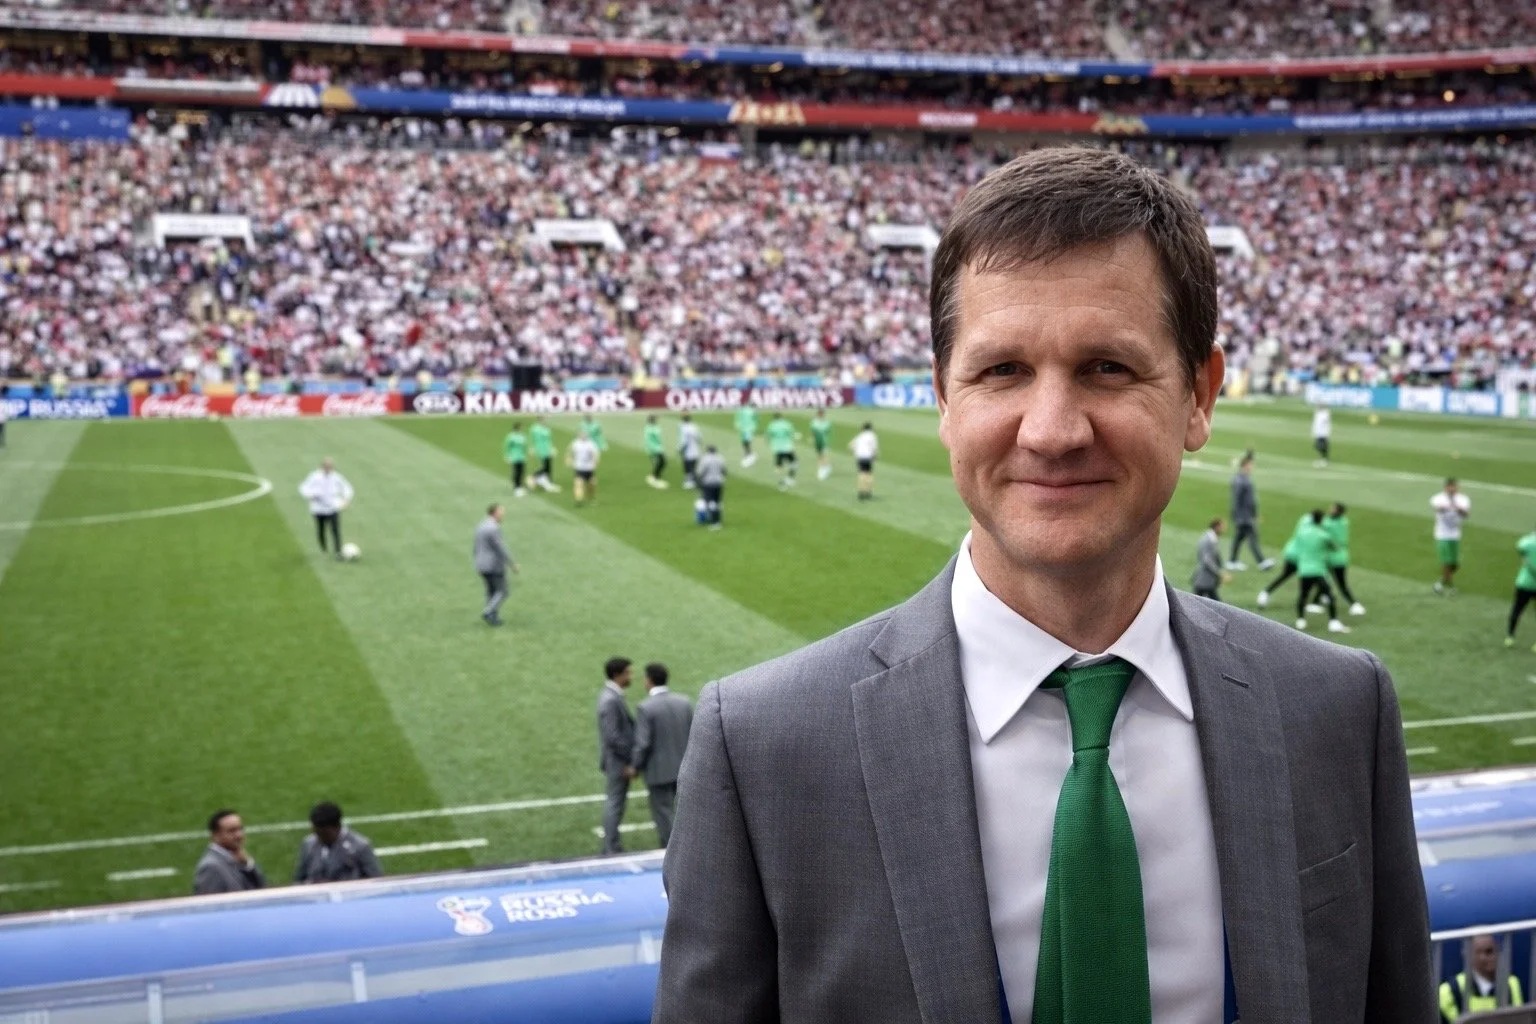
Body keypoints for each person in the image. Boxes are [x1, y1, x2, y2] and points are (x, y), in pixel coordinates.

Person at [654, 148, 1431, 1024]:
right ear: (944, 398)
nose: (1053, 431)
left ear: (1200, 397)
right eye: (1002, 371)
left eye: (1108, 367)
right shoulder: (763, 748)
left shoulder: (1336, 709)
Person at [630, 663, 694, 848]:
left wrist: (634, 766)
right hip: (685, 767)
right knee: (684, 812)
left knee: (663, 813)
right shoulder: (684, 702)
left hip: (658, 772)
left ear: (649, 680)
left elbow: (643, 743)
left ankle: (672, 851)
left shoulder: (645, 707)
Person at [596, 656, 636, 855]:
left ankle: (611, 844)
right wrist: (631, 758)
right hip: (617, 762)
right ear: (617, 675)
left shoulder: (612, 696)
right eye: (628, 672)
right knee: (614, 803)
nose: (631, 676)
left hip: (617, 759)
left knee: (616, 802)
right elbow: (612, 737)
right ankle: (611, 847)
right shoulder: (610, 699)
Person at [1439, 934, 1524, 1021]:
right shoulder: (1448, 991)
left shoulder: (1511, 983)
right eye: (1488, 951)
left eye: (1496, 950)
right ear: (1468, 954)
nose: (1494, 956)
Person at [293, 801, 382, 884]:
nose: (320, 839)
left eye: (324, 835)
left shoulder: (360, 846)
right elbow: (300, 878)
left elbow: (376, 880)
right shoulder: (309, 844)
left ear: (337, 827)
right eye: (316, 833)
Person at [1294, 509, 1350, 634]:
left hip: (1304, 569)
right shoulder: (1323, 535)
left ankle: (1300, 620)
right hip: (1318, 570)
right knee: (1329, 595)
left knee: (1303, 595)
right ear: (1321, 520)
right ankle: (1333, 621)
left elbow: (1298, 545)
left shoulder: (1303, 532)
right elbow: (1335, 547)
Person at [193, 809, 267, 895]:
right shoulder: (210, 867)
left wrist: (247, 866)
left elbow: (261, 889)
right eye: (232, 831)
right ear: (216, 835)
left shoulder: (241, 859)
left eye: (240, 829)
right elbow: (209, 905)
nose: (239, 835)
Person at [298, 457, 354, 559]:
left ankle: (338, 551)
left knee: (335, 529)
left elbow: (347, 487)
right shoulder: (314, 477)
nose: (329, 469)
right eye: (327, 466)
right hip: (318, 509)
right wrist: (311, 495)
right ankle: (324, 547)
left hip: (332, 508)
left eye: (330, 467)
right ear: (322, 466)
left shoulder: (336, 477)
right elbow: (303, 488)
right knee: (321, 529)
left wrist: (345, 500)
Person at [1256, 510, 1312, 610]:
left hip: (1293, 553)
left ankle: (1265, 593)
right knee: (1309, 579)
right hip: (1298, 556)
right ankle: (1310, 603)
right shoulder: (1311, 528)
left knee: (1289, 576)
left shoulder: (1305, 520)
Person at [1226, 455, 1274, 571]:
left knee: (1239, 538)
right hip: (1244, 516)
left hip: (1246, 515)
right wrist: (1238, 515)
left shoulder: (1243, 478)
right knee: (1252, 538)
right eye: (1250, 465)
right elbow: (1236, 499)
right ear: (1245, 465)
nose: (1252, 467)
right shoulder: (1240, 480)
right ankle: (1261, 562)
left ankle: (1232, 561)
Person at [473, 503, 517, 626]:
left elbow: (476, 546)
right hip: (492, 564)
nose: (503, 514)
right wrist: (512, 564)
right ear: (495, 513)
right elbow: (500, 548)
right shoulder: (493, 528)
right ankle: (489, 611)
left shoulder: (481, 525)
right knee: (502, 591)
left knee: (491, 591)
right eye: (501, 512)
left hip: (481, 563)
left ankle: (493, 616)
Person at [1324, 502, 1366, 616]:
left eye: (1333, 508)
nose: (1330, 510)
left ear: (1338, 511)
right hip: (1342, 557)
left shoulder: (1328, 524)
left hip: (1333, 559)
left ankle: (1354, 604)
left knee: (1340, 584)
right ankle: (1320, 599)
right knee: (1323, 579)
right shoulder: (1344, 521)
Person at [1432, 478, 1471, 595]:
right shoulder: (1438, 498)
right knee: (1447, 561)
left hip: (1455, 535)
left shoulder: (1463, 499)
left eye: (1454, 486)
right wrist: (1447, 506)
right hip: (1442, 534)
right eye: (1450, 486)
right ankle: (1449, 587)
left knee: (1455, 564)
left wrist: (1459, 509)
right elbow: (1437, 508)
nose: (1452, 489)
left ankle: (1441, 583)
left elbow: (1466, 514)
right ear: (1445, 487)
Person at [1505, 525, 1536, 651]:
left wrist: (1525, 558)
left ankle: (1510, 637)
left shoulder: (1528, 541)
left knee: (1517, 609)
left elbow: (1519, 546)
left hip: (1524, 583)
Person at [1191, 517, 1227, 601]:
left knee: (1196, 601)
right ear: (1216, 527)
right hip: (1205, 579)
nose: (1223, 530)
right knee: (1216, 604)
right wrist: (1219, 573)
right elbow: (1207, 560)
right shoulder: (1208, 540)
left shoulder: (1211, 538)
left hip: (1206, 580)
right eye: (1222, 527)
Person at [696, 444, 727, 529]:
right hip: (719, 483)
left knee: (710, 502)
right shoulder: (720, 458)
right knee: (717, 502)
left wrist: (698, 483)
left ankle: (713, 521)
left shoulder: (705, 459)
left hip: (708, 483)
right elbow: (724, 471)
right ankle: (717, 520)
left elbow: (700, 472)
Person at [568, 428, 600, 506]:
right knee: (578, 483)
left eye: (584, 434)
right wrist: (569, 459)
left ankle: (591, 498)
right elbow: (570, 452)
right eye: (581, 434)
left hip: (589, 468)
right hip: (579, 468)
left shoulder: (591, 444)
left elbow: (595, 454)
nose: (583, 435)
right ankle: (579, 499)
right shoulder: (575, 443)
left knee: (592, 484)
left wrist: (595, 462)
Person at [766, 412, 799, 490]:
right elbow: (792, 434)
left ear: (774, 418)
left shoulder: (771, 425)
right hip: (787, 448)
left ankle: (781, 483)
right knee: (794, 463)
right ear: (781, 417)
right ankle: (789, 479)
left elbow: (768, 437)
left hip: (777, 448)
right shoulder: (786, 424)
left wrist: (771, 444)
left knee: (779, 466)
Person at [850, 421, 879, 501]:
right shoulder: (872, 436)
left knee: (861, 474)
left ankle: (861, 491)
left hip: (860, 456)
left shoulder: (860, 436)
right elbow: (874, 447)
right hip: (868, 456)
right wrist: (875, 456)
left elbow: (851, 445)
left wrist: (854, 452)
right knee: (869, 474)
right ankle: (868, 491)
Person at [529, 416, 559, 493]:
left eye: (545, 419)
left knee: (549, 466)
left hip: (547, 450)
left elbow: (549, 440)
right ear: (539, 420)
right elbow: (532, 439)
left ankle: (548, 483)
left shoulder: (547, 428)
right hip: (540, 450)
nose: (545, 421)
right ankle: (533, 476)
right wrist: (532, 448)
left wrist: (552, 448)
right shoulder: (535, 429)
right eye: (544, 419)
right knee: (545, 467)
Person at [503, 421, 529, 497]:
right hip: (514, 457)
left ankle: (520, 486)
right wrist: (507, 456)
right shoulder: (511, 436)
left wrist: (525, 455)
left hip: (522, 457)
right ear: (517, 428)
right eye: (520, 427)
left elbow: (524, 446)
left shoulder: (522, 436)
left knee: (522, 472)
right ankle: (516, 488)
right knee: (516, 472)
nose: (522, 428)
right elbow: (506, 446)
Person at [678, 413, 703, 489]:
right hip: (696, 450)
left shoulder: (684, 428)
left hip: (688, 451)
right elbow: (700, 438)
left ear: (683, 420)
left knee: (688, 467)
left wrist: (680, 449)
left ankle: (690, 482)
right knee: (693, 467)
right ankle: (694, 481)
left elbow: (684, 441)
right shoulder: (694, 427)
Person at [644, 414, 669, 489]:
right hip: (655, 449)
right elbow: (656, 437)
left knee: (659, 462)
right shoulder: (652, 429)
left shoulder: (649, 428)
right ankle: (656, 477)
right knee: (662, 462)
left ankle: (655, 476)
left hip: (655, 448)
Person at [811, 409, 834, 481]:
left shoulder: (826, 423)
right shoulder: (814, 422)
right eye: (820, 414)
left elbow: (826, 431)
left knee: (824, 455)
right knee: (819, 455)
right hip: (817, 442)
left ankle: (822, 471)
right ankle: (826, 467)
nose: (821, 415)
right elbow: (813, 431)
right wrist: (813, 438)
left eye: (822, 414)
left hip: (824, 442)